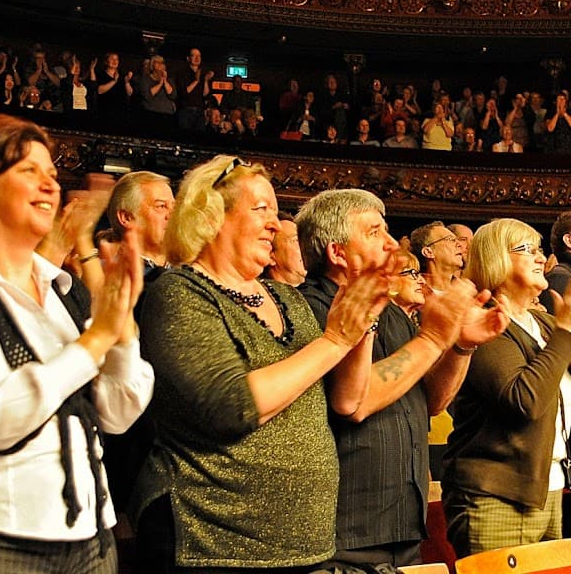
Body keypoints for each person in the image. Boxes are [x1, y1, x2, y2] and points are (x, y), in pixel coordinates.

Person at [0, 116, 154, 574]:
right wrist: (97, 338)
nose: (49, 184)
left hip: (91, 533)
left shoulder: (64, 292)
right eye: (28, 171)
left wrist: (122, 326)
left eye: (51, 173)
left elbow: (118, 414)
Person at [133, 157, 386, 572]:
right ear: (211, 216)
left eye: (274, 209)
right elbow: (231, 407)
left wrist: (364, 315)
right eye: (261, 209)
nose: (275, 222)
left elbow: (346, 398)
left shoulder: (288, 299)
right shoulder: (179, 294)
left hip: (305, 547)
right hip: (215, 544)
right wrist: (336, 338)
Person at [296, 189, 506, 568]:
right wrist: (433, 339)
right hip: (344, 531)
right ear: (337, 252)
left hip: (403, 524)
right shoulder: (310, 309)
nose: (393, 244)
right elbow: (353, 402)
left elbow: (431, 402)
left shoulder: (392, 314)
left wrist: (460, 347)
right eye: (375, 232)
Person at [441, 218, 571, 556]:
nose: (541, 258)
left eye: (540, 250)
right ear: (496, 259)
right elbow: (525, 401)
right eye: (527, 250)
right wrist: (568, 331)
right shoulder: (483, 321)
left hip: (553, 493)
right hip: (495, 499)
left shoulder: (545, 323)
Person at [106, 170, 175, 278]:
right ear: (126, 217)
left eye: (174, 207)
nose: (172, 215)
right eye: (161, 206)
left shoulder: (192, 271)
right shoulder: (106, 278)